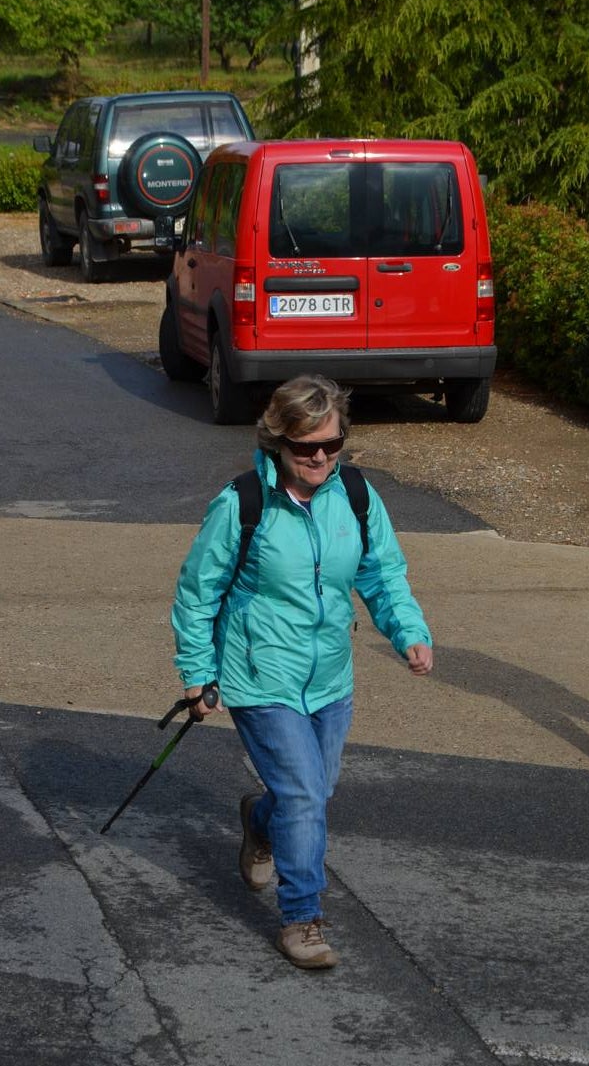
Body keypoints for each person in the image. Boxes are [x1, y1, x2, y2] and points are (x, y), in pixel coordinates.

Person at [171, 375, 433, 969]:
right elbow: (197, 592)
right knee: (305, 793)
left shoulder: (358, 496)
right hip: (260, 676)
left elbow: (384, 573)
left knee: (312, 791)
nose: (319, 457)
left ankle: (258, 822)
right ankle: (303, 919)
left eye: (331, 445)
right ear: (276, 443)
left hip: (330, 680)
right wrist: (196, 671)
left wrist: (409, 633)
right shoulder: (242, 503)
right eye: (305, 446)